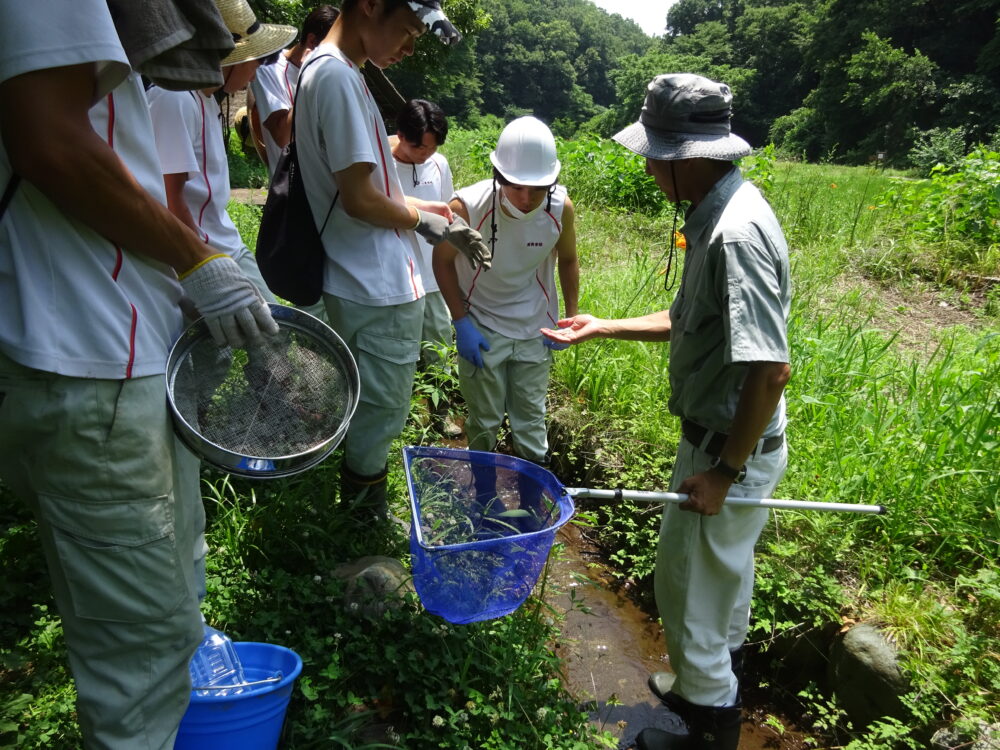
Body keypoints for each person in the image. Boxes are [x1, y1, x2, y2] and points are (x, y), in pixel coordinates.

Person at [0, 1, 282, 747]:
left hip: (117, 362)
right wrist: (197, 261)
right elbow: (52, 142)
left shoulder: (179, 91)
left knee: (153, 626)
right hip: (92, 362)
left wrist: (223, 270)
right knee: (144, 662)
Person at [542, 74, 791, 750]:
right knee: (704, 585)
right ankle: (698, 682)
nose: (649, 168)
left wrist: (726, 472)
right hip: (714, 440)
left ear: (688, 157)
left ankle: (705, 731)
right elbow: (689, 321)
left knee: (696, 602)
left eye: (655, 155)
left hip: (727, 450)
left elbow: (770, 369)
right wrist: (604, 326)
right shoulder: (712, 210)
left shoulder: (734, 236)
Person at [295, 0, 491, 514]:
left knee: (366, 403)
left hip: (363, 280)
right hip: (375, 287)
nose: (409, 47)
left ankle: (354, 505)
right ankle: (363, 517)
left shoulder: (339, 73)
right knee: (380, 412)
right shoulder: (336, 78)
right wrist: (425, 223)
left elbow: (372, 188)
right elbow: (360, 200)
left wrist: (440, 216)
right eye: (406, 30)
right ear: (370, 5)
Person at [435, 116, 578, 467]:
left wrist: (569, 318)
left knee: (530, 422)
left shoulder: (561, 208)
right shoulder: (468, 206)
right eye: (516, 186)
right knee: (484, 420)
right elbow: (441, 263)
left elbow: (569, 260)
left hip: (535, 328)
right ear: (499, 177)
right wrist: (461, 323)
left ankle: (531, 501)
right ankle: (483, 492)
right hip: (481, 325)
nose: (527, 198)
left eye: (538, 188)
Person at [147, 1, 296, 304]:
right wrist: (201, 267)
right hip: (203, 253)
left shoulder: (207, 101)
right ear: (230, 58)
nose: (255, 74)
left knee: (276, 335)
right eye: (255, 61)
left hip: (225, 244)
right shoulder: (175, 99)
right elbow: (169, 197)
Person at [390, 98, 460, 435]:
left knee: (440, 351)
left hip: (433, 278)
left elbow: (447, 214)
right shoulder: (380, 167)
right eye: (418, 146)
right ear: (400, 134)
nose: (424, 154)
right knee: (400, 351)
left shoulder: (439, 165)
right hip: (397, 277)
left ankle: (440, 416)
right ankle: (400, 418)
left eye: (431, 148)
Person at [250, 4, 338, 177]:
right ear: (312, 41)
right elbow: (283, 137)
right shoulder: (268, 69)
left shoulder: (333, 73)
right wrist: (308, 76)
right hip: (291, 190)